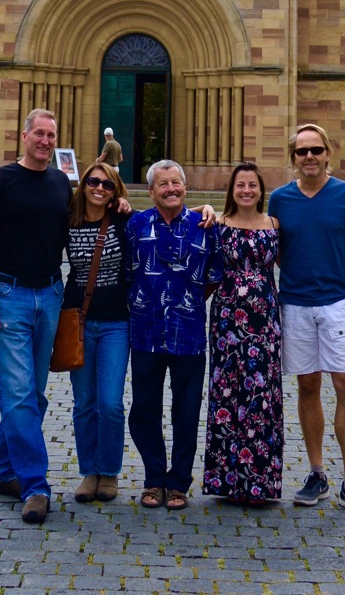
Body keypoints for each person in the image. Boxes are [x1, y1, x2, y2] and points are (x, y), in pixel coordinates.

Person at [268, 122, 345, 518]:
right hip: (295, 303)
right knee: (308, 384)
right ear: (293, 157)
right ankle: (317, 473)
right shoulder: (279, 199)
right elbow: (272, 248)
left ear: (328, 153)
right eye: (302, 151)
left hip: (336, 302)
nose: (309, 157)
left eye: (316, 150)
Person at [0, 108, 70, 525]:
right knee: (18, 392)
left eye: (51, 135)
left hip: (50, 293)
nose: (45, 141)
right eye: (39, 134)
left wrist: (120, 201)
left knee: (33, 393)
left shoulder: (62, 183)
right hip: (8, 294)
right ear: (24, 136)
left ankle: (2, 472)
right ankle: (35, 485)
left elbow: (84, 223)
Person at [125, 159, 223, 511]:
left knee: (186, 411)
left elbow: (214, 275)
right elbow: (125, 272)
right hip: (146, 333)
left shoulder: (204, 225)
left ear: (185, 186)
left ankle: (179, 481)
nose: (170, 189)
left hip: (189, 334)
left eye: (176, 183)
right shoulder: (135, 225)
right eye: (163, 184)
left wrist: (189, 302)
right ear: (150, 192)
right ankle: (154, 477)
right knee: (145, 409)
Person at [202, 160, 283, 505]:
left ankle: (260, 484)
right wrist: (203, 206)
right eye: (240, 185)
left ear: (261, 190)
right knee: (227, 392)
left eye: (252, 185)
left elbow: (293, 266)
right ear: (231, 191)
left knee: (262, 396)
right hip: (226, 321)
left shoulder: (275, 224)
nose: (246, 190)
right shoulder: (217, 225)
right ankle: (226, 481)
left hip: (264, 321)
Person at [65, 158, 131, 505]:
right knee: (84, 403)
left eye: (107, 185)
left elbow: (169, 216)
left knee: (110, 403)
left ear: (115, 190)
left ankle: (110, 472)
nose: (99, 189)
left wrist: (208, 207)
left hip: (116, 323)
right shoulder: (68, 219)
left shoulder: (123, 220)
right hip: (78, 322)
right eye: (93, 182)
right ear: (83, 183)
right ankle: (90, 471)